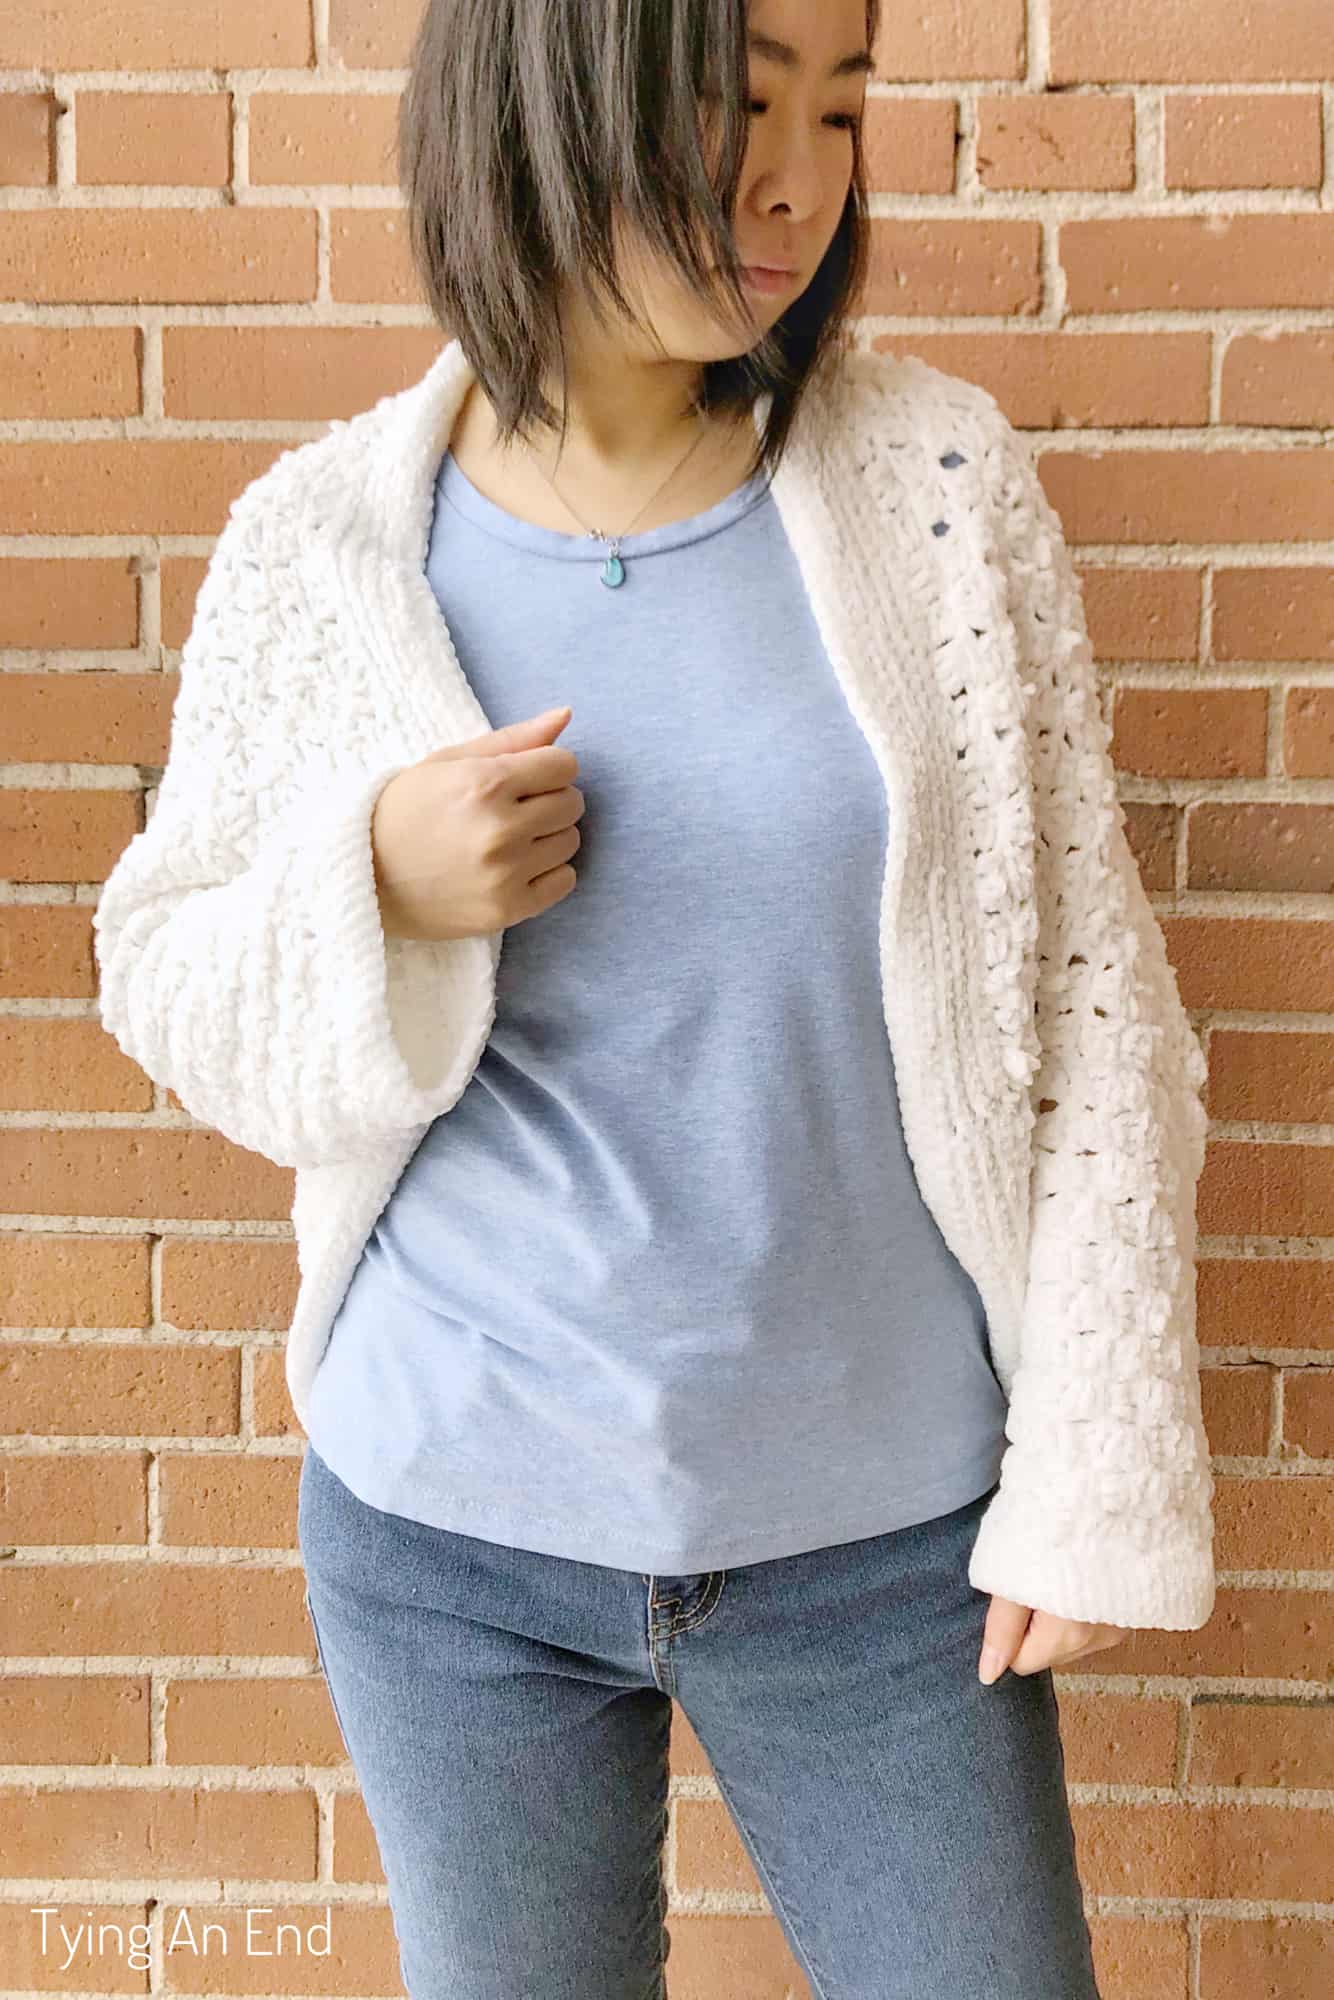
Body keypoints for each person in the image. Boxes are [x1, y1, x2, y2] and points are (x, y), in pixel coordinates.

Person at [93, 1, 1216, 1994]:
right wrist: (372, 883)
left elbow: (1094, 999)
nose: (792, 174)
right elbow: (168, 970)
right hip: (448, 1533)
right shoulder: (329, 545)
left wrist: (1093, 1466)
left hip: (882, 1552)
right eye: (727, 106)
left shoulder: (936, 486)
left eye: (837, 108)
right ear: (549, 96)